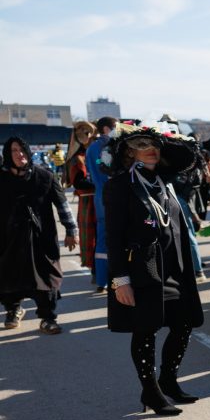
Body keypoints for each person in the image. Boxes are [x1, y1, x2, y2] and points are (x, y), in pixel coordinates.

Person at [102, 125, 203, 414]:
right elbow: (113, 236)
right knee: (146, 329)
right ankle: (151, 391)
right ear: (129, 151)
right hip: (143, 269)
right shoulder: (119, 186)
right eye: (141, 143)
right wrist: (120, 280)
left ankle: (168, 381)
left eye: (155, 144)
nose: (150, 148)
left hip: (173, 269)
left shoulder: (164, 181)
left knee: (183, 323)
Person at [1, 137, 77, 333]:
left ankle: (48, 317)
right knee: (9, 275)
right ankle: (13, 309)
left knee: (46, 277)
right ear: (7, 156)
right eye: (13, 151)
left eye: (21, 150)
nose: (19, 154)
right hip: (8, 239)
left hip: (41, 238)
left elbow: (62, 204)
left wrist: (71, 230)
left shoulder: (45, 176)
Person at [86, 117, 116, 291]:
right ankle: (116, 279)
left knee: (102, 240)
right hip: (111, 197)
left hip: (99, 197)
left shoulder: (91, 149)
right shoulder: (108, 148)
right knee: (117, 237)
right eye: (114, 127)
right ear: (106, 129)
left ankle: (101, 281)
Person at [65, 120, 98, 272]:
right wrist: (99, 183)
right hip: (88, 202)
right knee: (90, 236)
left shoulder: (91, 153)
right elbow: (79, 183)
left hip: (97, 199)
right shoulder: (77, 158)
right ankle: (94, 269)